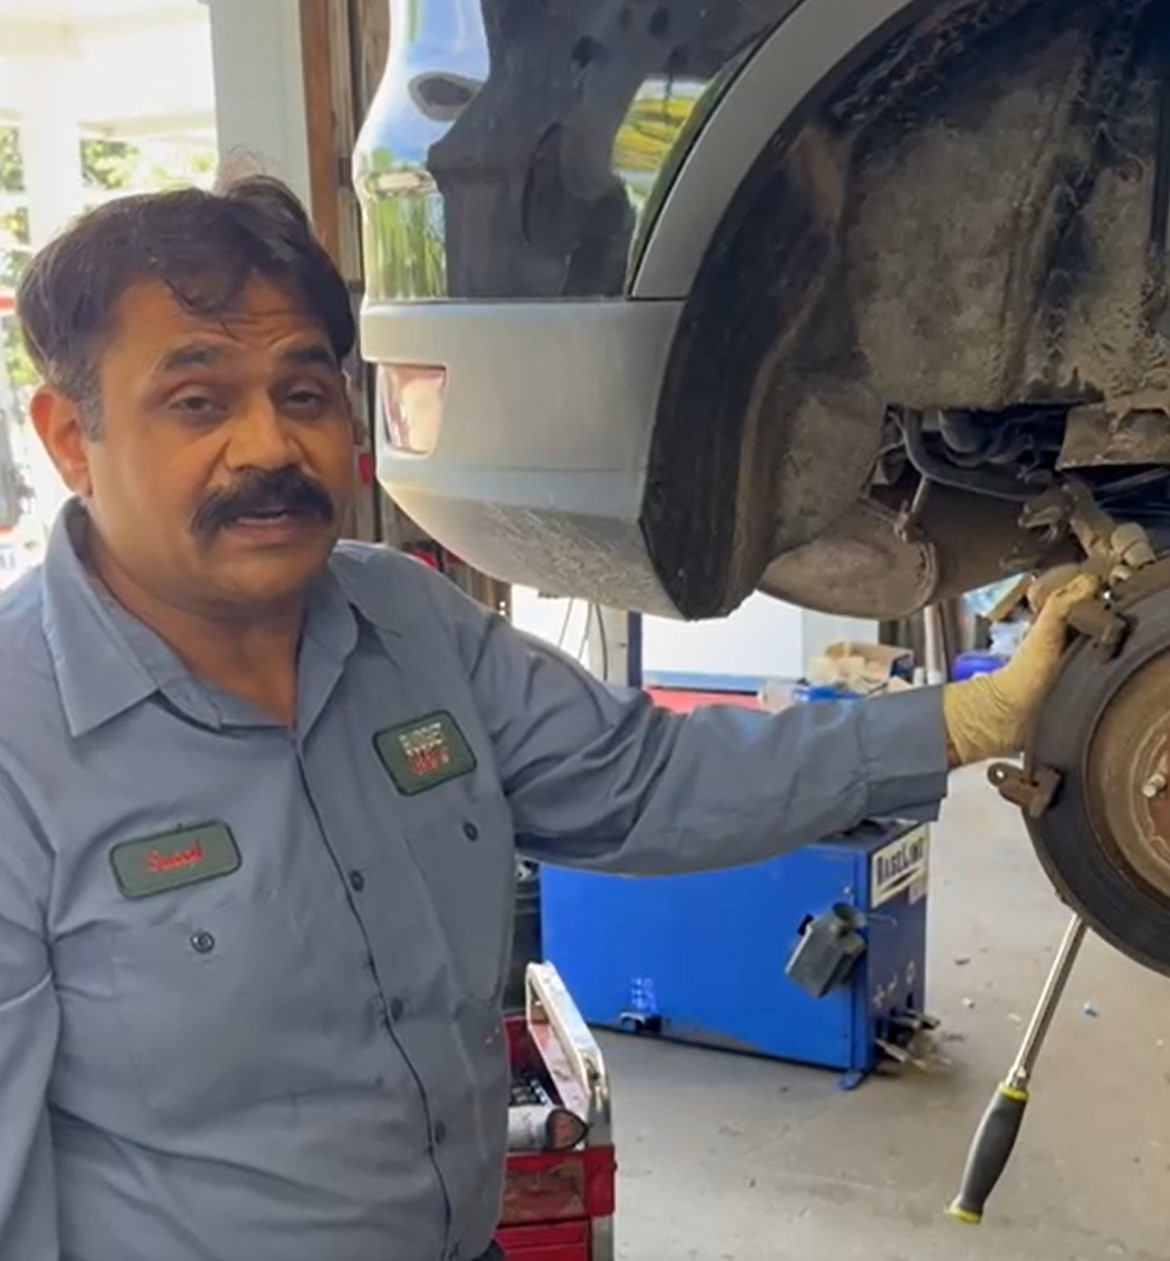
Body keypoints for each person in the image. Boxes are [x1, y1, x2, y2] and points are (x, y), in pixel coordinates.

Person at [0, 175, 1093, 1261]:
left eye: (303, 393)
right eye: (197, 402)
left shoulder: (407, 622)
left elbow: (647, 781)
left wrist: (971, 718)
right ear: (67, 437)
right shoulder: (18, 740)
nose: (270, 448)